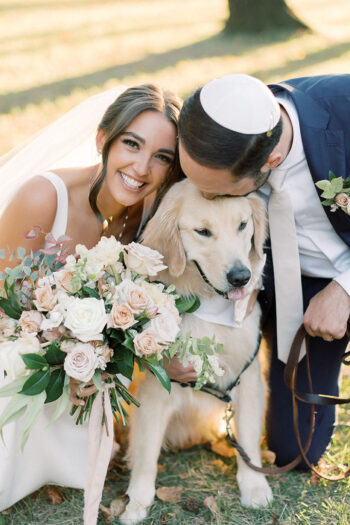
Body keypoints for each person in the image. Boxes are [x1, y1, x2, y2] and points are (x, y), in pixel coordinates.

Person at [0, 83, 183, 511]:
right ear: (103, 139)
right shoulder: (44, 197)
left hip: (86, 374)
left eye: (162, 157)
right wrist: (61, 358)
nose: (142, 168)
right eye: (131, 145)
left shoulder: (149, 217)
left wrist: (102, 356)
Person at [177, 73, 350, 468]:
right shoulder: (218, 129)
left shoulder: (343, 110)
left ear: (270, 161)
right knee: (293, 452)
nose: (206, 196)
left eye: (216, 191)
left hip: (342, 275)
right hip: (284, 282)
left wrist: (344, 288)